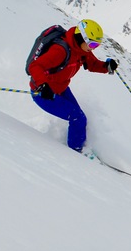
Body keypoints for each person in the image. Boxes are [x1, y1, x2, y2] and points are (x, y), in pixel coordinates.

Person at [28, 19, 118, 153]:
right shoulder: (60, 51)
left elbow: (92, 64)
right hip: (43, 93)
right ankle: (75, 154)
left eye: (96, 45)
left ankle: (78, 146)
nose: (92, 48)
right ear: (82, 37)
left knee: (80, 118)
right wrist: (43, 85)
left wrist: (107, 67)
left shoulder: (81, 49)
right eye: (92, 44)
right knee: (78, 118)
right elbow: (34, 66)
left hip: (61, 88)